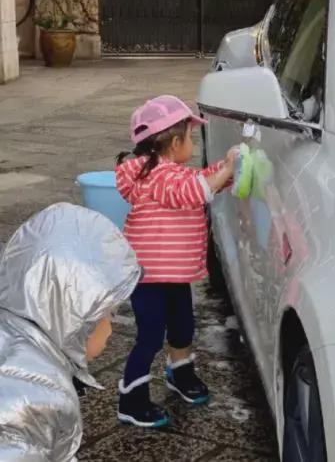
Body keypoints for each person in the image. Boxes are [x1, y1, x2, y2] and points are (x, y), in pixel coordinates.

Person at [115, 95, 235, 427]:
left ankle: (179, 374)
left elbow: (196, 183)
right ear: (173, 142)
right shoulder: (156, 176)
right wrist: (225, 169)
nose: (192, 144)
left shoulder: (170, 172)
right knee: (150, 336)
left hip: (175, 275)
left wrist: (227, 172)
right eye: (190, 137)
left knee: (182, 328)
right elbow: (193, 191)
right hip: (149, 278)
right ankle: (131, 399)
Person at [0, 202, 141, 461]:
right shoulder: (43, 402)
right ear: (75, 315)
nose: (111, 330)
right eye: (109, 315)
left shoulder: (11, 333)